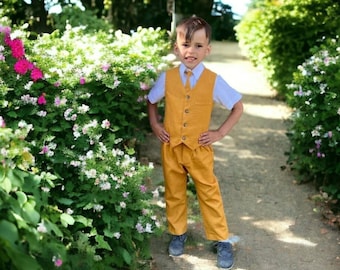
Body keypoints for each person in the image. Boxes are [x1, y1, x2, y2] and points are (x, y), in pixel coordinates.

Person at [147, 16, 243, 269]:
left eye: (199, 46)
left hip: (199, 149)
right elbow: (152, 100)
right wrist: (156, 125)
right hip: (171, 148)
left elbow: (237, 106)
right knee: (175, 193)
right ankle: (178, 232)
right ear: (176, 48)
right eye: (186, 44)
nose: (192, 51)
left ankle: (221, 239)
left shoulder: (213, 80)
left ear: (208, 50)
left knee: (209, 193)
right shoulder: (167, 78)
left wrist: (219, 133)